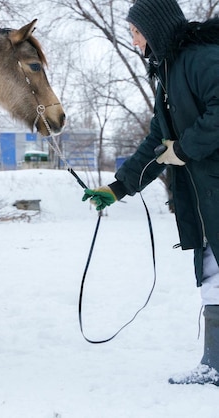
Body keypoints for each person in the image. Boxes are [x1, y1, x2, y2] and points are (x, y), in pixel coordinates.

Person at [82, 0, 219, 386]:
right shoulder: (168, 72)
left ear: (156, 29)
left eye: (136, 30)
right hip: (204, 195)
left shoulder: (201, 59)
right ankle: (215, 364)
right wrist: (118, 187)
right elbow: (158, 141)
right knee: (212, 274)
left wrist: (185, 148)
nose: (133, 38)